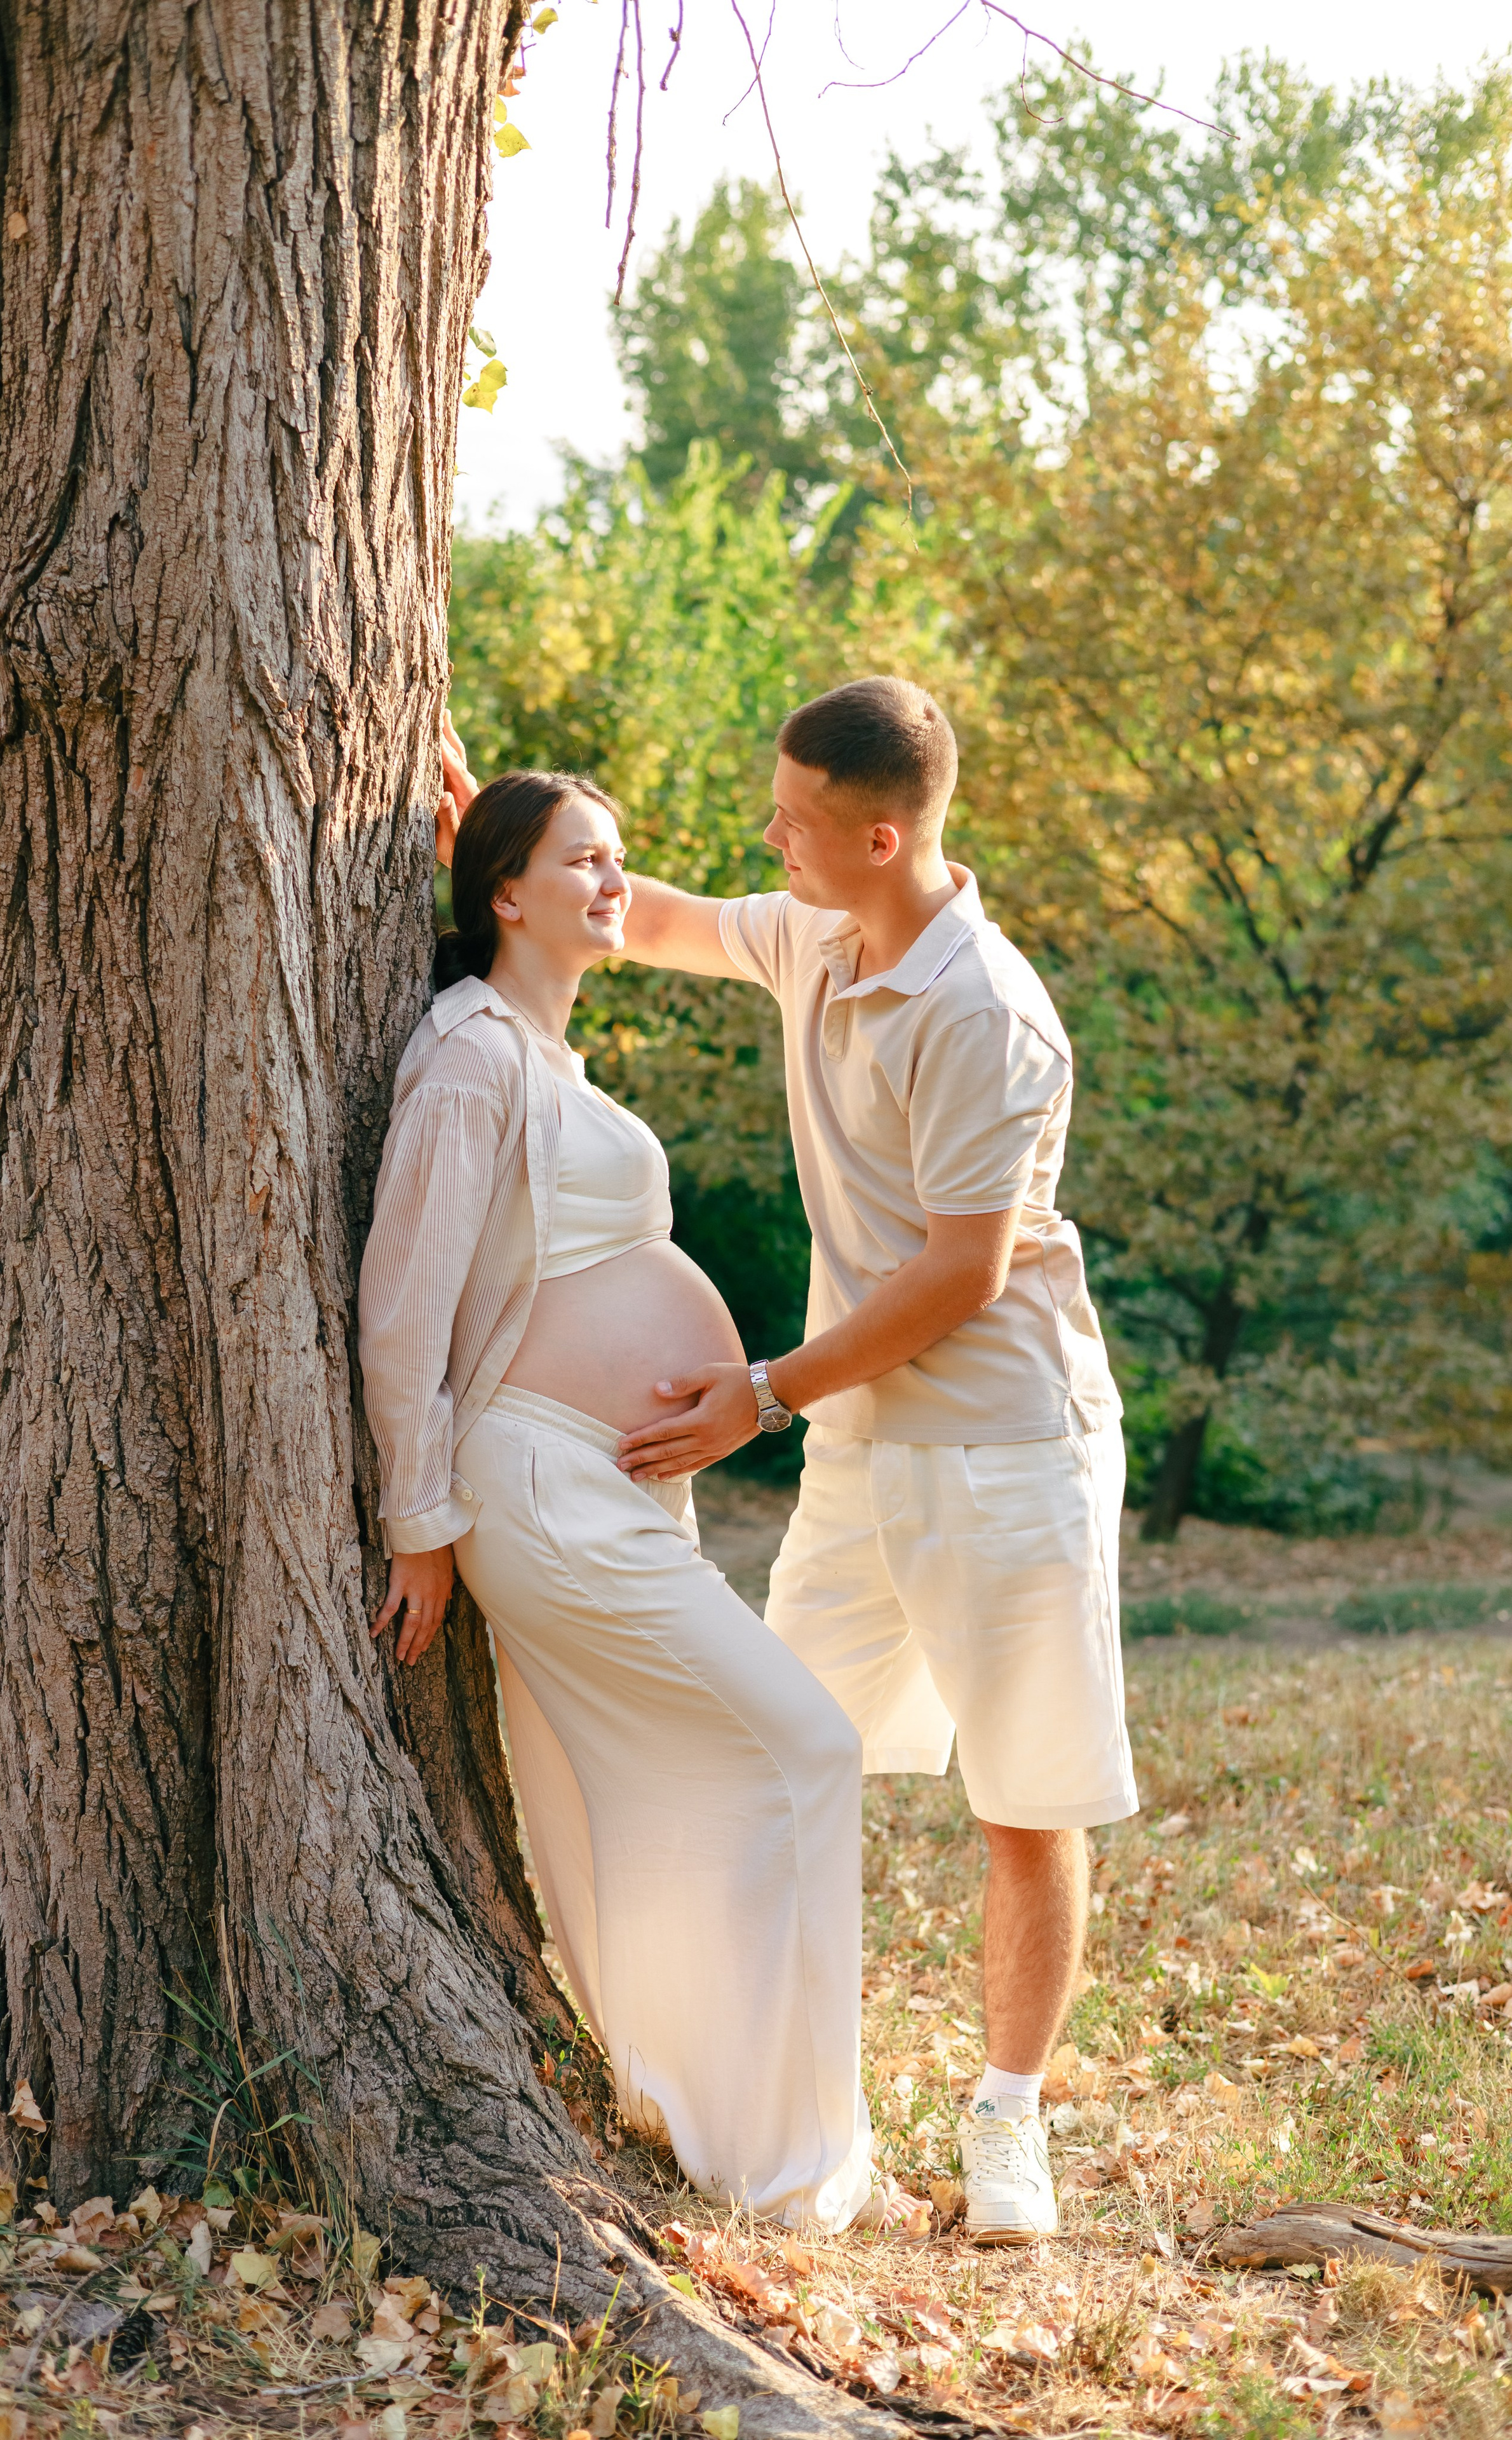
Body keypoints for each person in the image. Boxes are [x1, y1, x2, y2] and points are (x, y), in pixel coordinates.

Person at [612, 676, 1139, 2243]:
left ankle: (1005, 2123)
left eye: (789, 820)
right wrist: (480, 815)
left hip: (1001, 1446)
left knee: (1020, 1804)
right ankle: (756, 2086)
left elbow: (955, 1277)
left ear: (882, 835)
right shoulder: (812, 931)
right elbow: (653, 919)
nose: (764, 837)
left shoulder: (987, 1012)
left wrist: (756, 1394)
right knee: (775, 1751)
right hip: (856, 1446)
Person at [357, 751, 875, 2231]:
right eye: (583, 859)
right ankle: (785, 2163)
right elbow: (401, 1313)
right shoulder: (468, 1057)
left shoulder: (539, 1051)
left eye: (619, 856)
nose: (615, 881)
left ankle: (728, 2120)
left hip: (607, 1490)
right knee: (802, 1746)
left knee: (661, 1797)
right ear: (504, 894)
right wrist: (423, 1530)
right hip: (530, 1489)